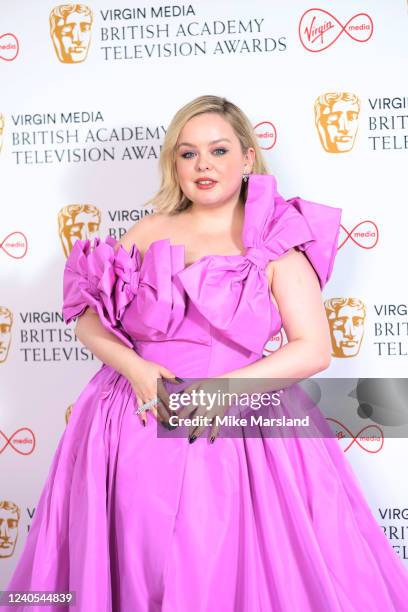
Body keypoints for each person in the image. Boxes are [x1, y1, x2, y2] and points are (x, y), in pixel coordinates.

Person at [4, 95, 408, 611]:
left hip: (235, 429)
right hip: (130, 423)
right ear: (174, 163)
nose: (203, 165)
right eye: (187, 153)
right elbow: (87, 318)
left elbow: (313, 350)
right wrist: (137, 368)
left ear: (246, 158)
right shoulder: (147, 232)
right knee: (133, 556)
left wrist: (224, 391)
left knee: (221, 564)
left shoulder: (276, 241)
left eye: (218, 150)